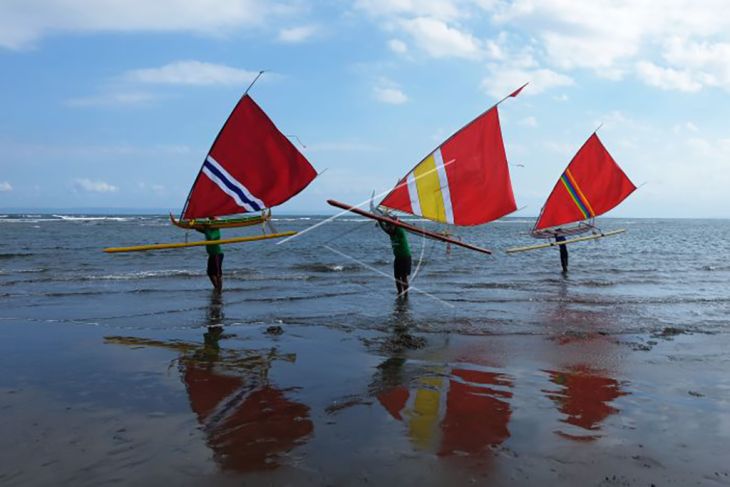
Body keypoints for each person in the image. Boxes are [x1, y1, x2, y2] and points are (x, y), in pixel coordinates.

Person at [379, 217, 412, 297]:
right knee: (396, 277)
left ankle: (406, 295)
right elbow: (384, 227)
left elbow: (398, 225)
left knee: (403, 277)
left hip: (405, 257)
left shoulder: (400, 231)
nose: (389, 228)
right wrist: (379, 220)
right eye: (389, 227)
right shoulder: (391, 233)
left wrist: (396, 220)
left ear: (394, 225)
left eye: (391, 226)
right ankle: (400, 293)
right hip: (397, 258)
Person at [197, 219, 223, 291]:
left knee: (217, 274)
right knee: (210, 273)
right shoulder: (208, 230)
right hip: (211, 255)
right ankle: (216, 288)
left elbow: (211, 237)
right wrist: (193, 223)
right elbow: (197, 229)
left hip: (217, 254)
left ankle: (219, 290)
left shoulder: (216, 231)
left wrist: (206, 228)